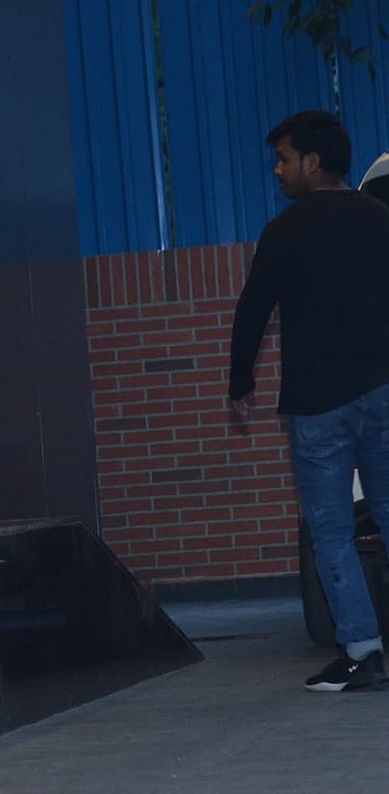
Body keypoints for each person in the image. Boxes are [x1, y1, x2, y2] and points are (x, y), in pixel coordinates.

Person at [229, 109, 389, 692]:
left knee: (332, 533)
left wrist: (239, 383)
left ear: (312, 163)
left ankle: (364, 654)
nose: (278, 171)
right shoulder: (380, 219)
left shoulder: (285, 233)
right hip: (383, 393)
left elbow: (252, 312)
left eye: (284, 159)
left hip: (319, 405)